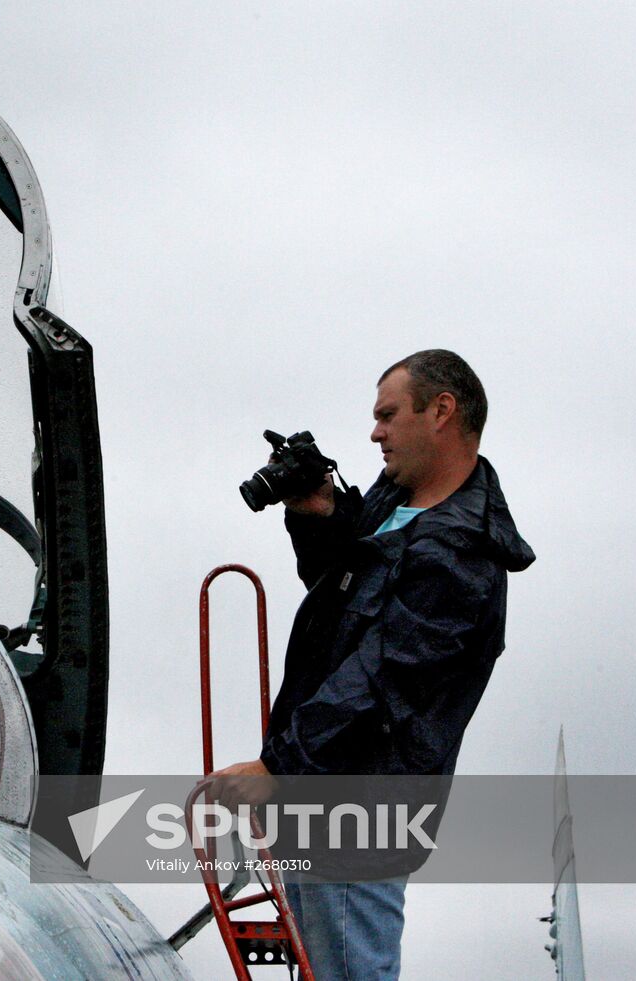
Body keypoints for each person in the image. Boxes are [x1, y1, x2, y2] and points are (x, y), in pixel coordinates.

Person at [205, 349, 535, 981]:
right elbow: (338, 587)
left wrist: (279, 766)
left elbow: (383, 678)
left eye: (387, 415)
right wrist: (317, 508)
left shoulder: (462, 554)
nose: (375, 432)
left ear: (441, 411)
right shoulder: (396, 500)